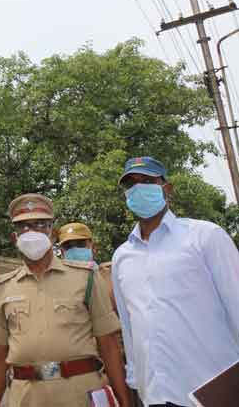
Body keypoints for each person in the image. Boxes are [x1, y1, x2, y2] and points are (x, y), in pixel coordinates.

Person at [112, 156, 239, 407]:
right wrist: (136, 380)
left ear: (166, 188)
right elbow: (128, 326)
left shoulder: (205, 237)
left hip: (214, 391)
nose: (138, 189)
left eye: (147, 181)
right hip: (156, 395)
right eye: (131, 184)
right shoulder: (121, 257)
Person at [0, 194, 131, 407]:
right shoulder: (1, 287)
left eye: (40, 225)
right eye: (23, 227)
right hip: (25, 396)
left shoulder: (86, 277)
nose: (31, 232)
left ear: (52, 235)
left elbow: (108, 345)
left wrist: (124, 401)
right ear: (14, 238)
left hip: (80, 392)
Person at [58, 222, 117, 311]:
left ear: (93, 247)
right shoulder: (56, 284)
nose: (75, 250)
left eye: (80, 244)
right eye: (68, 246)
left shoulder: (110, 276)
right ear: (62, 253)